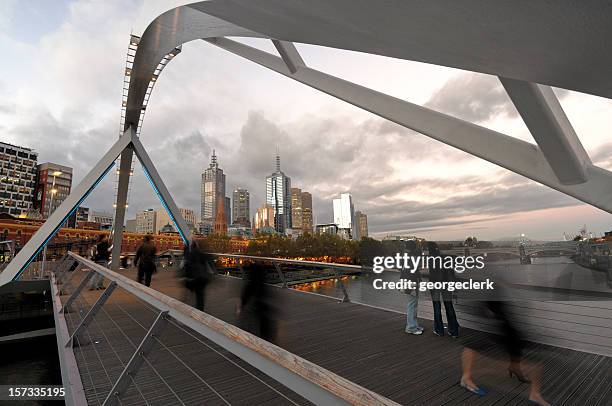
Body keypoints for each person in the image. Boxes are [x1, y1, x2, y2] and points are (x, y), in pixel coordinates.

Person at [459, 300, 550, 405]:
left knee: (515, 340)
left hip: (500, 313)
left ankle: (516, 369)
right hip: (487, 314)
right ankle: (466, 378)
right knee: (475, 342)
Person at [237, 262, 277, 342]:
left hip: (256, 307)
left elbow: (246, 294)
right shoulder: (263, 284)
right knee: (265, 327)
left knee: (252, 325)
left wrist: (240, 307)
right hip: (264, 307)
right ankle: (267, 339)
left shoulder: (251, 284)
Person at [427, 241, 459, 337]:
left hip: (435, 285)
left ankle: (439, 330)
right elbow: (450, 272)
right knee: (449, 306)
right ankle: (454, 331)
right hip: (445, 284)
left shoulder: (431, 259)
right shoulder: (445, 258)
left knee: (437, 308)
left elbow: (432, 274)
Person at [181, 238, 214, 311]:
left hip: (193, 277)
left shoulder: (191, 251)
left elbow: (186, 262)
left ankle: (186, 307)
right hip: (202, 277)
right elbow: (210, 263)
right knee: (200, 295)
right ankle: (200, 309)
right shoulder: (205, 252)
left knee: (192, 292)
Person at [402, 241, 424, 335]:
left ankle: (414, 325)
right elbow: (414, 270)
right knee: (412, 304)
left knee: (413, 304)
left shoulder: (405, 255)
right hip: (410, 282)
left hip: (408, 281)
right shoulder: (411, 256)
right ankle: (411, 327)